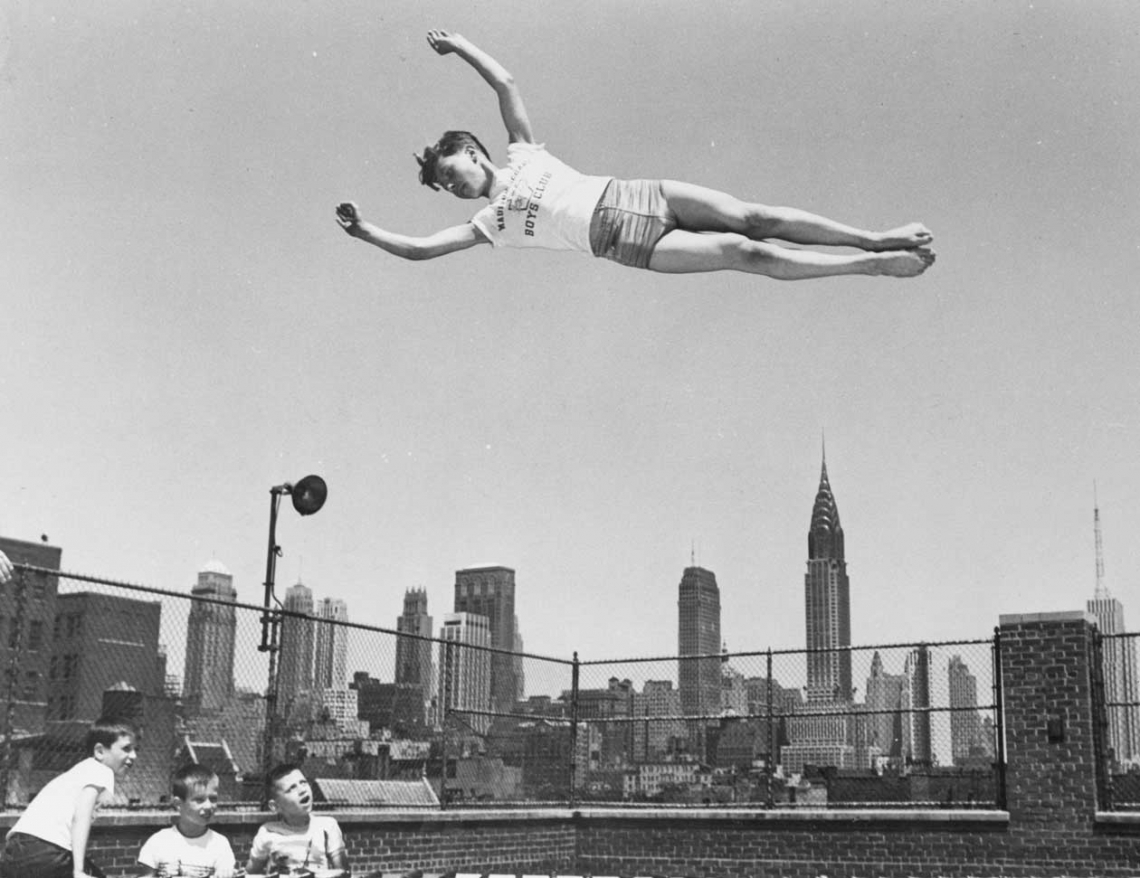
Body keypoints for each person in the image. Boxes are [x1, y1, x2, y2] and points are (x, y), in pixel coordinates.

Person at [336, 30, 935, 281]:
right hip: (624, 243)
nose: (455, 188)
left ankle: (875, 238)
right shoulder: (487, 225)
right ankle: (871, 266)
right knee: (744, 252)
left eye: (451, 174)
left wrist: (461, 45)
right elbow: (419, 251)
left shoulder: (521, 153)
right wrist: (365, 231)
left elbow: (507, 85)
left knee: (752, 218)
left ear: (471, 151)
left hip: (638, 193)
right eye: (446, 187)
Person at [0, 716, 138, 878]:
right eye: (126, 748)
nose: (134, 755)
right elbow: (81, 816)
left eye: (136, 749)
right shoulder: (101, 770)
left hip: (16, 849)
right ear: (100, 751)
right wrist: (78, 871)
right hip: (46, 851)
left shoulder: (79, 772)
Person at [137, 763, 238, 878]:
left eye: (213, 799)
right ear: (178, 804)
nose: (209, 806)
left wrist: (227, 873)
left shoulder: (220, 845)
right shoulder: (158, 842)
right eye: (199, 800)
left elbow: (226, 869)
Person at [246, 764, 348, 877]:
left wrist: (315, 876)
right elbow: (251, 873)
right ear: (275, 806)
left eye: (303, 782)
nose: (302, 790)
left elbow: (344, 872)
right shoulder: (267, 832)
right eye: (292, 788)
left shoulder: (327, 826)